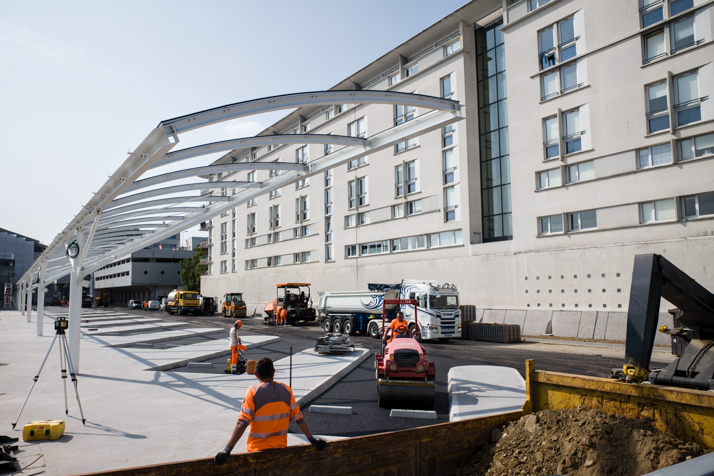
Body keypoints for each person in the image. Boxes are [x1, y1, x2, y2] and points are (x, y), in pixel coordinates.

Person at [214, 358, 326, 464]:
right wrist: (311, 439)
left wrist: (227, 450)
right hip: (280, 451)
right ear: (273, 372)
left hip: (256, 451)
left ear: (256, 374)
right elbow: (298, 418)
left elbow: (242, 423)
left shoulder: (252, 392)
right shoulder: (286, 390)